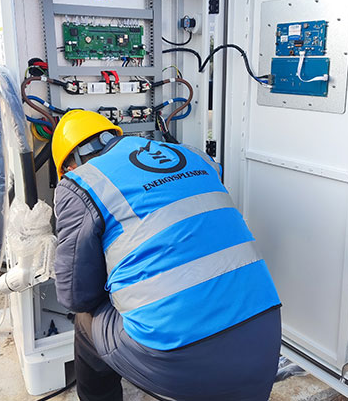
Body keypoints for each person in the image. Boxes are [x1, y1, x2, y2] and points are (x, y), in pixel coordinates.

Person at [50, 109, 282, 401]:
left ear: (69, 166)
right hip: (264, 344)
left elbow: (76, 296)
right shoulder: (193, 155)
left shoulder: (80, 182)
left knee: (87, 320)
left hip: (185, 363)